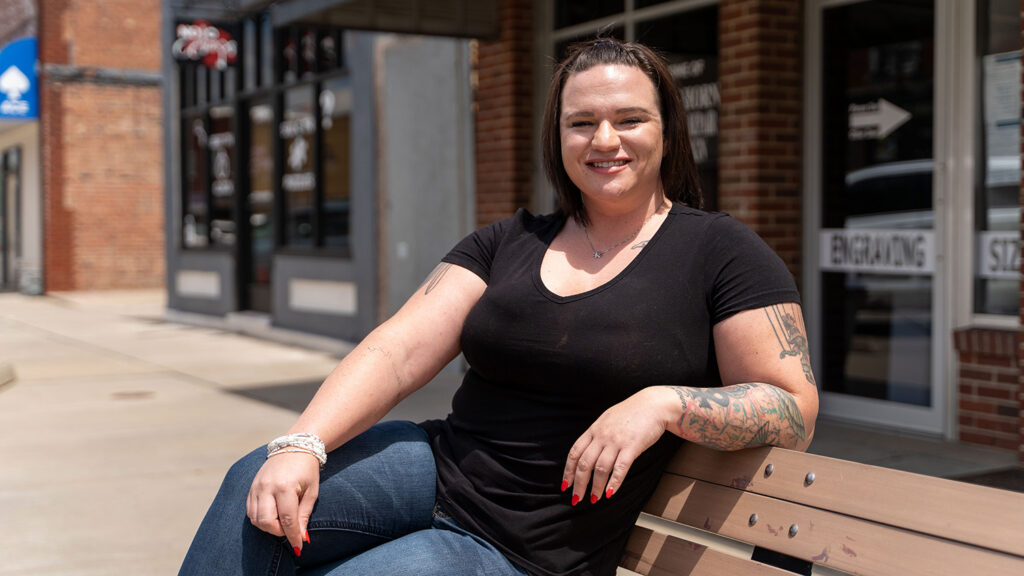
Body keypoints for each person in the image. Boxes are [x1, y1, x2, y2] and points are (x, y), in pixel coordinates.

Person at [177, 37, 818, 576]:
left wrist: (664, 404)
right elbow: (397, 351)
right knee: (256, 485)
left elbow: (794, 407)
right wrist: (302, 443)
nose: (605, 139)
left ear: (667, 131)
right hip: (435, 470)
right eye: (580, 122)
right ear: (558, 135)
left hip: (525, 546)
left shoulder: (720, 251)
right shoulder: (509, 240)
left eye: (629, 119)